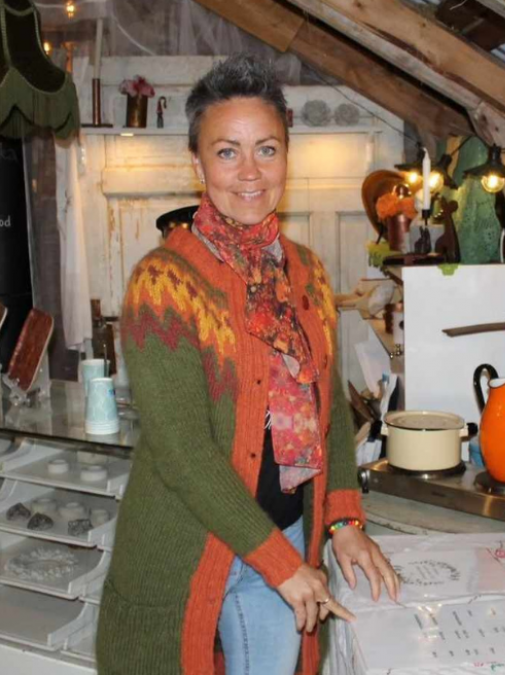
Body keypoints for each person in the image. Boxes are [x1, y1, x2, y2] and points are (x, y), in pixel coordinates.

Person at [96, 54, 400, 675]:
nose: (250, 173)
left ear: (287, 155)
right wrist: (281, 562)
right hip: (184, 548)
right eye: (227, 152)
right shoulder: (164, 283)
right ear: (197, 163)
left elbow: (327, 409)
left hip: (285, 538)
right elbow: (182, 449)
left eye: (266, 149)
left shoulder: (307, 272)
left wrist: (343, 519)